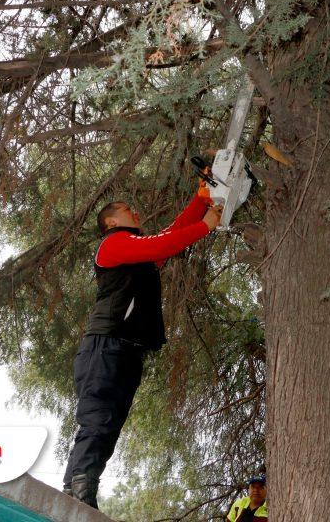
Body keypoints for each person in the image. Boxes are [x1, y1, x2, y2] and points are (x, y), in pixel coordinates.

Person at [63, 181, 221, 509]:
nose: (135, 212)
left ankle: (75, 490)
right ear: (111, 222)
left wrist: (201, 200)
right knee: (98, 418)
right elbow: (161, 244)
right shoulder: (113, 244)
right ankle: (80, 490)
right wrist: (205, 227)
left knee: (108, 424)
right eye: (126, 209)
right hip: (105, 346)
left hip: (126, 351)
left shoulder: (138, 255)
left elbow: (172, 233)